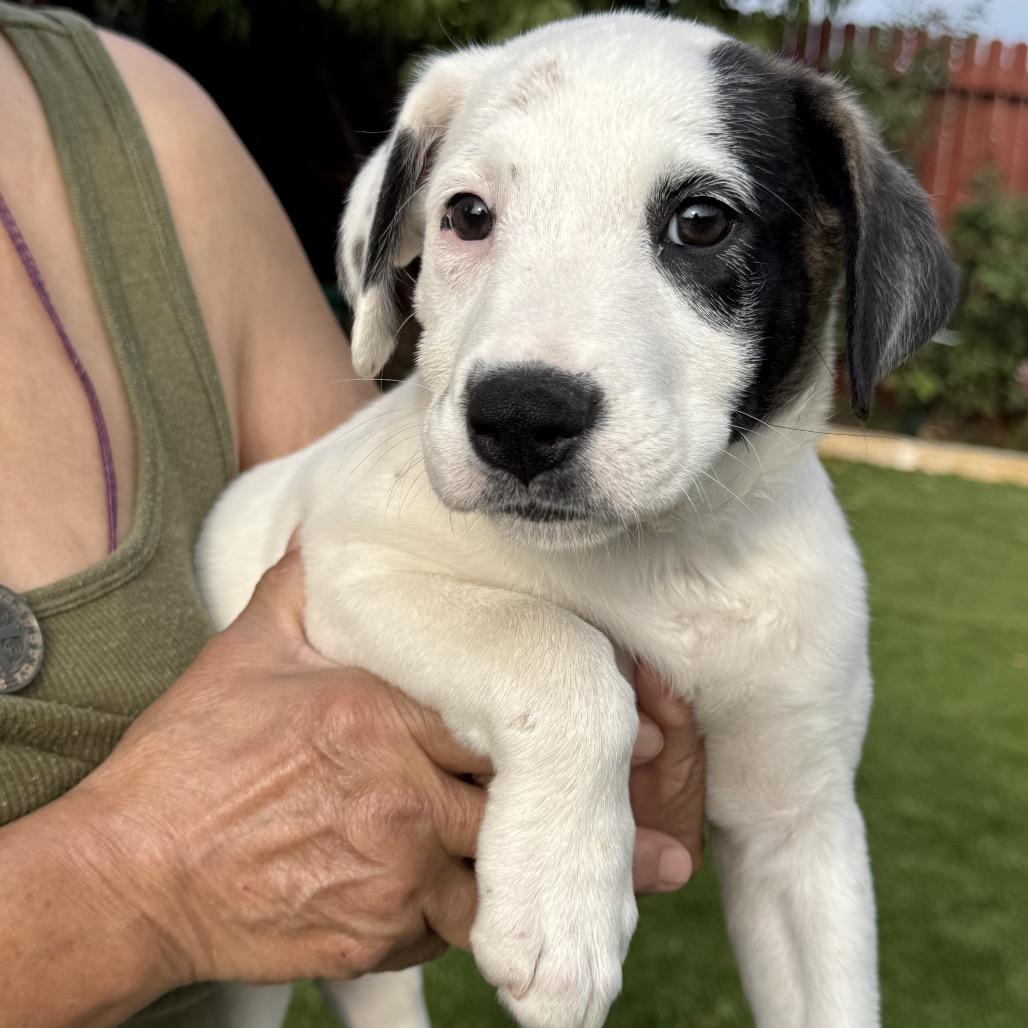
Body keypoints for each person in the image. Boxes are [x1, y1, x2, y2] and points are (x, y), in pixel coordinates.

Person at [0, 4, 705, 1026]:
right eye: (471, 216)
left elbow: (377, 597)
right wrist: (140, 883)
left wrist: (562, 737)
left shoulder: (143, 126)